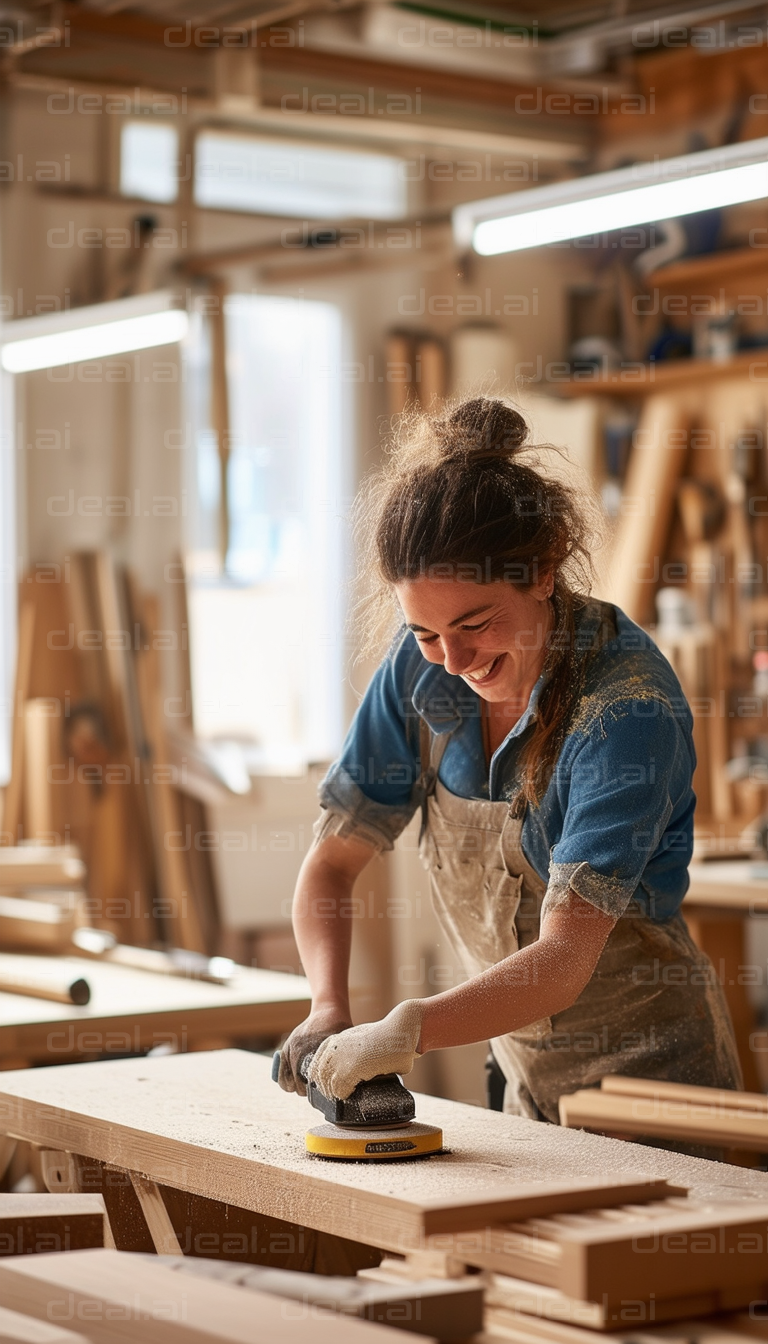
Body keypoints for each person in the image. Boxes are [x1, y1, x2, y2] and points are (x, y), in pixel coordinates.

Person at [276, 396, 742, 1128]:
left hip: (661, 1092)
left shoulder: (624, 710)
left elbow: (560, 962)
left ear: (544, 568)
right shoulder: (418, 671)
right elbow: (332, 867)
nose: (454, 661)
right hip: (530, 1088)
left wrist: (406, 1026)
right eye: (425, 631)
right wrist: (327, 1005)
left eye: (475, 624)